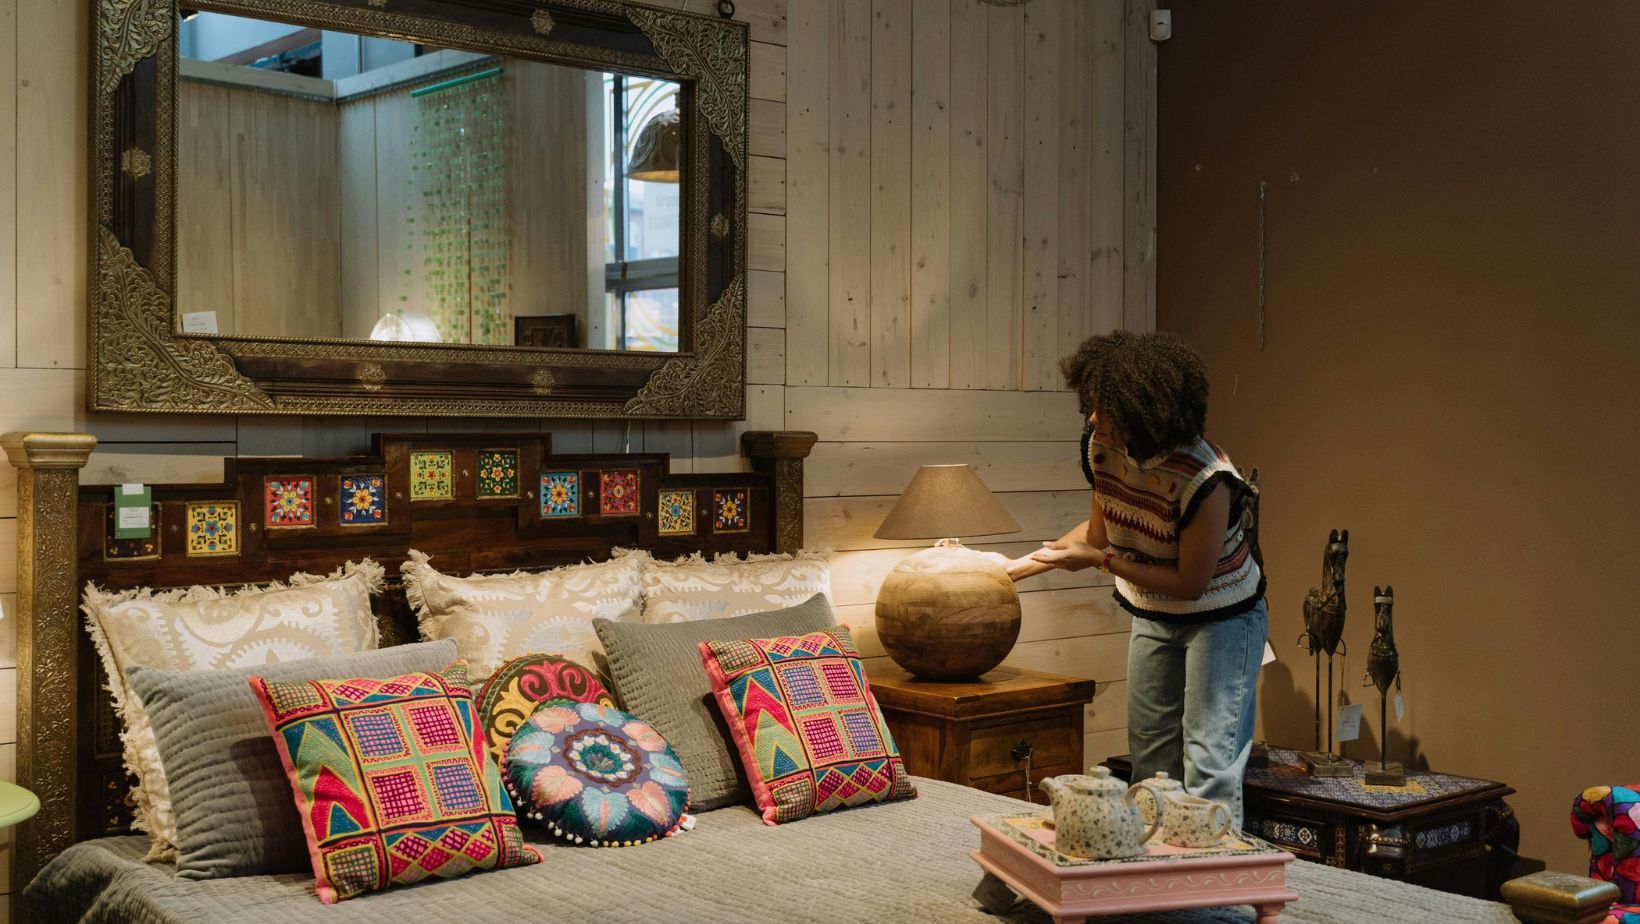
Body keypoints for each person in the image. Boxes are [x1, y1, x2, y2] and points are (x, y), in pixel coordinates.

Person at [1006, 331, 1267, 827]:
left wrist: (1098, 563)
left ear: (1143, 411)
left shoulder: (1206, 477)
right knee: (1151, 759)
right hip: (1152, 609)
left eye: (1104, 408)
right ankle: (1154, 881)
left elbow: (1190, 582)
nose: (1093, 417)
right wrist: (1019, 568)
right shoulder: (1102, 446)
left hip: (1222, 616)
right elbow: (1101, 531)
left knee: (1209, 761)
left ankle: (1212, 891)